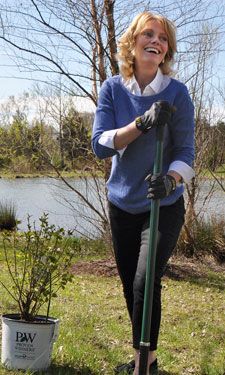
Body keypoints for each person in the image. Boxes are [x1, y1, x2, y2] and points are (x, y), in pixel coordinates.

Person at [92, 11, 195, 375]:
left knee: (144, 281)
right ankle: (147, 360)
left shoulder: (178, 93)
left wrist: (170, 179)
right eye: (148, 34)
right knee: (130, 287)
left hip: (162, 203)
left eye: (163, 38)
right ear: (132, 44)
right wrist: (140, 123)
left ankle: (140, 367)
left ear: (167, 50)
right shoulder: (112, 89)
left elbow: (186, 153)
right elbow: (100, 144)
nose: (156, 41)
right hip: (122, 204)